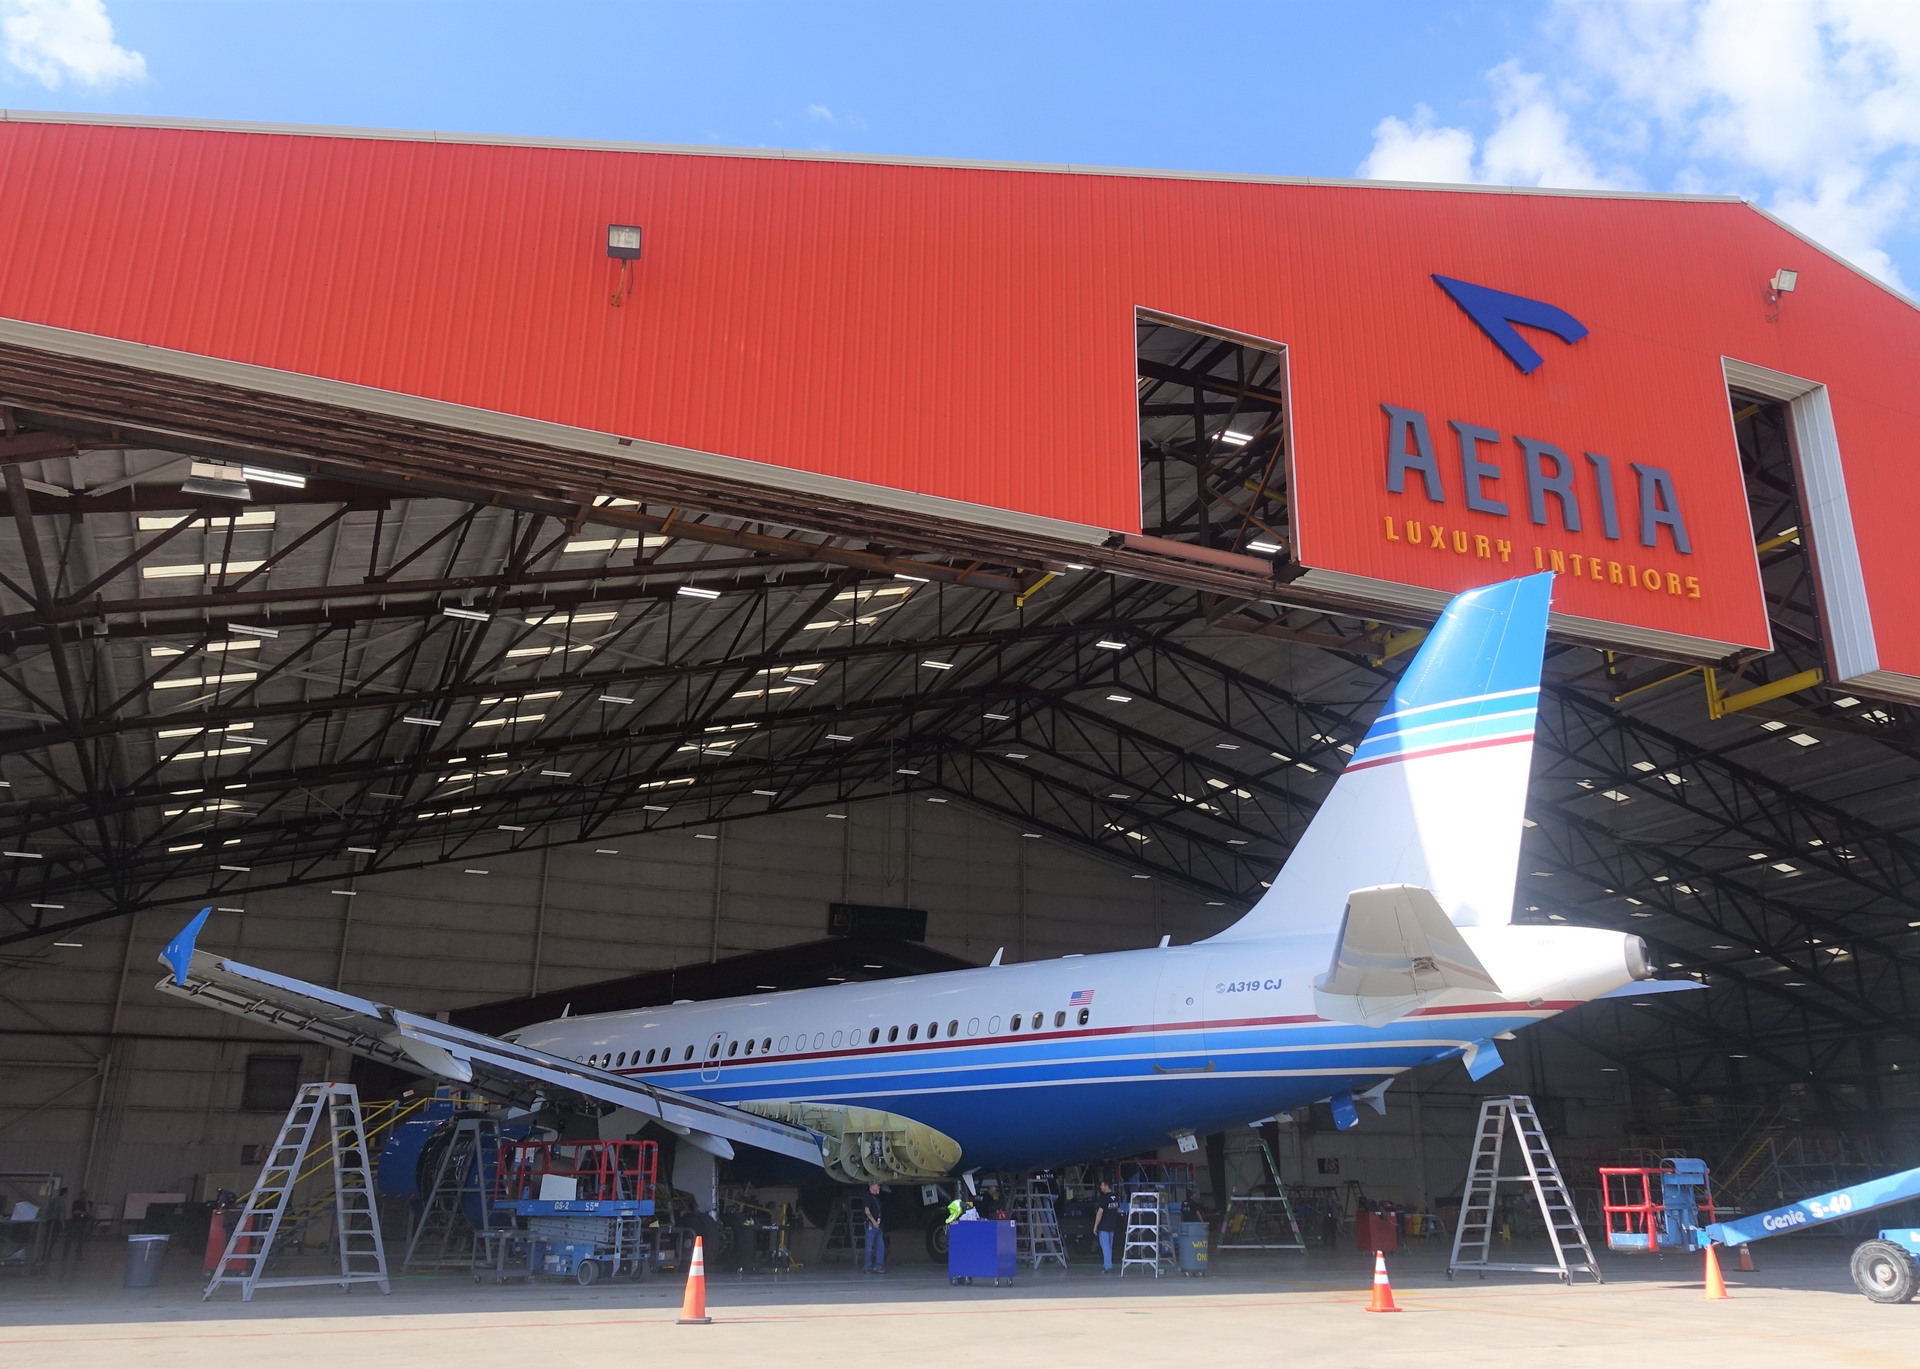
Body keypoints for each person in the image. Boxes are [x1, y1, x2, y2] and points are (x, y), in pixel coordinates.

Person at [1093, 1180, 1122, 1273]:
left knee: (1105, 1246)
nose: (1100, 1187)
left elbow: (1100, 1212)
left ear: (1106, 1186)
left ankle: (1107, 1266)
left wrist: (1095, 1225)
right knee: (1109, 1246)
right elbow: (1118, 1210)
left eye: (1101, 1185)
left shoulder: (1103, 1198)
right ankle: (1108, 1263)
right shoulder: (1115, 1197)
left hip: (1104, 1225)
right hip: (1112, 1225)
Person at [860, 1182, 885, 1273]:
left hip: (878, 1225)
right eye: (877, 1185)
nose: (879, 1187)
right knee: (869, 1246)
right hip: (871, 1224)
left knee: (880, 1246)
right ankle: (867, 1267)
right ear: (872, 1186)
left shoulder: (876, 1197)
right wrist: (873, 1221)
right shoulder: (868, 1196)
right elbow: (867, 1210)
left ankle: (878, 1265)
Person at [63, 1192, 90, 1263]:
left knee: (81, 1240)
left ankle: (78, 1254)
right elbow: (75, 1212)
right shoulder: (76, 1202)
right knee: (70, 1238)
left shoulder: (87, 1203)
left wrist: (84, 1210)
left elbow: (88, 1212)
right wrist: (82, 1213)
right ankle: (65, 1254)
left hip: (83, 1223)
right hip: (75, 1222)